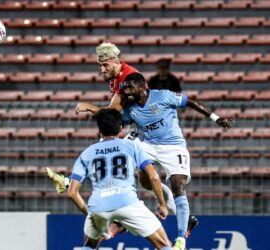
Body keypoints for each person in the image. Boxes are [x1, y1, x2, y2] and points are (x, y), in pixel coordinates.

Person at [47, 42, 198, 240]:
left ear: (116, 62)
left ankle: (115, 214)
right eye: (100, 66)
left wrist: (90, 107)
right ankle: (183, 218)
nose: (101, 70)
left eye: (105, 65)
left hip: (143, 129)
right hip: (137, 127)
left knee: (110, 154)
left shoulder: (127, 76)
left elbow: (112, 113)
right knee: (141, 178)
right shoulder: (116, 77)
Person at [119, 72, 234, 250]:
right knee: (146, 182)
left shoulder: (163, 96)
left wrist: (216, 118)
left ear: (143, 87)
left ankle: (180, 239)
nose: (126, 91)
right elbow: (117, 122)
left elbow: (190, 102)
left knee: (177, 186)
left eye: (130, 87)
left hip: (173, 146)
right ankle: (185, 219)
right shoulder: (129, 108)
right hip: (148, 145)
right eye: (125, 87)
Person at [68, 108, 174, 250]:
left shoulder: (87, 153)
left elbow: (72, 192)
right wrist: (162, 204)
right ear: (120, 127)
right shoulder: (131, 146)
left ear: (99, 130)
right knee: (163, 243)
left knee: (89, 245)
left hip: (99, 206)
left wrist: (89, 214)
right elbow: (154, 177)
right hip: (128, 203)